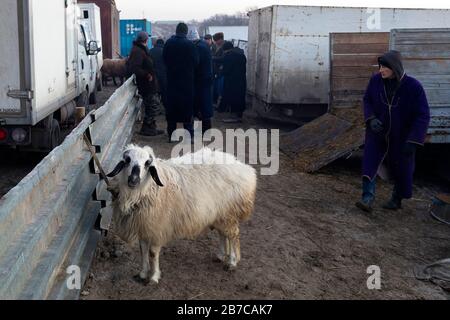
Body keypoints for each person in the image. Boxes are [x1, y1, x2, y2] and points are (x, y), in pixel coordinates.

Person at [355, 50, 430, 213]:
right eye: (380, 66)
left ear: (394, 68)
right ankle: (367, 198)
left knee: (402, 166)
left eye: (384, 68)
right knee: (370, 160)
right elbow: (367, 99)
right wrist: (371, 118)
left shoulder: (413, 87)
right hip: (378, 132)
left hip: (402, 135)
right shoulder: (375, 81)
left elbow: (422, 115)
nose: (380, 70)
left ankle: (397, 198)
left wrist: (414, 140)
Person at [163, 23, 199, 142]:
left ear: (176, 30)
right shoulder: (190, 45)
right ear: (186, 32)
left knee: (172, 109)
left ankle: (171, 136)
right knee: (187, 109)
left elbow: (164, 59)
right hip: (187, 83)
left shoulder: (168, 43)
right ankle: (189, 136)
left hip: (172, 81)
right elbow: (196, 61)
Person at [127, 31, 164, 136]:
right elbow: (134, 68)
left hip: (148, 83)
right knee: (154, 105)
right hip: (146, 84)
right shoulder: (138, 51)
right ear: (146, 40)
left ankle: (152, 127)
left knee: (151, 105)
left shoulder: (139, 49)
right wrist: (147, 74)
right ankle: (146, 128)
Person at [220, 41, 247, 123]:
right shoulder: (241, 54)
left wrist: (221, 70)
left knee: (233, 98)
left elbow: (226, 70)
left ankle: (234, 117)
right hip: (242, 80)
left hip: (232, 81)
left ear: (226, 49)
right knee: (240, 97)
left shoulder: (229, 56)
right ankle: (239, 115)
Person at [192, 35, 214, 135]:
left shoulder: (198, 48)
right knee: (205, 105)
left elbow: (196, 63)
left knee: (201, 106)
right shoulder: (204, 46)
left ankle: (205, 130)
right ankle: (206, 130)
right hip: (206, 79)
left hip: (201, 80)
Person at [149, 38, 167, 112]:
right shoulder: (165, 51)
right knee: (164, 92)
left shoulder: (150, 51)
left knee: (155, 92)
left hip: (154, 75)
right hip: (164, 75)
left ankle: (156, 109)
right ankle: (165, 108)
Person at [212, 32, 225, 105]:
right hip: (215, 70)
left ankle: (221, 103)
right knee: (215, 87)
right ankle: (215, 101)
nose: (215, 42)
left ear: (220, 39)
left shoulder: (225, 46)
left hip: (221, 71)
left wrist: (213, 58)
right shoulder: (214, 46)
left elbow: (224, 58)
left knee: (220, 88)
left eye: (216, 40)